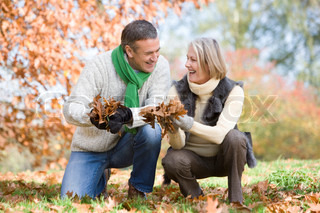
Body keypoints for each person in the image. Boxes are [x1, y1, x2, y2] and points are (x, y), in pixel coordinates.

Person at [61, 20, 171, 199]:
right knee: (72, 198)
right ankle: (100, 176)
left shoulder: (160, 67)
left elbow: (156, 109)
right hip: (92, 147)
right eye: (149, 53)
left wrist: (128, 115)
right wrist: (92, 117)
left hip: (128, 144)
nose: (155, 57)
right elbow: (70, 108)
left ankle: (138, 187)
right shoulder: (99, 65)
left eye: (157, 50)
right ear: (129, 51)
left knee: (152, 130)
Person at [161, 37, 256, 204]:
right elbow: (178, 145)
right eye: (187, 58)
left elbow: (220, 135)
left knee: (236, 138)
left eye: (193, 60)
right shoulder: (175, 91)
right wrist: (174, 128)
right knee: (171, 159)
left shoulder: (233, 91)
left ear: (209, 63)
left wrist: (188, 123)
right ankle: (196, 197)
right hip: (192, 160)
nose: (186, 64)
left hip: (224, 158)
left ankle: (236, 199)